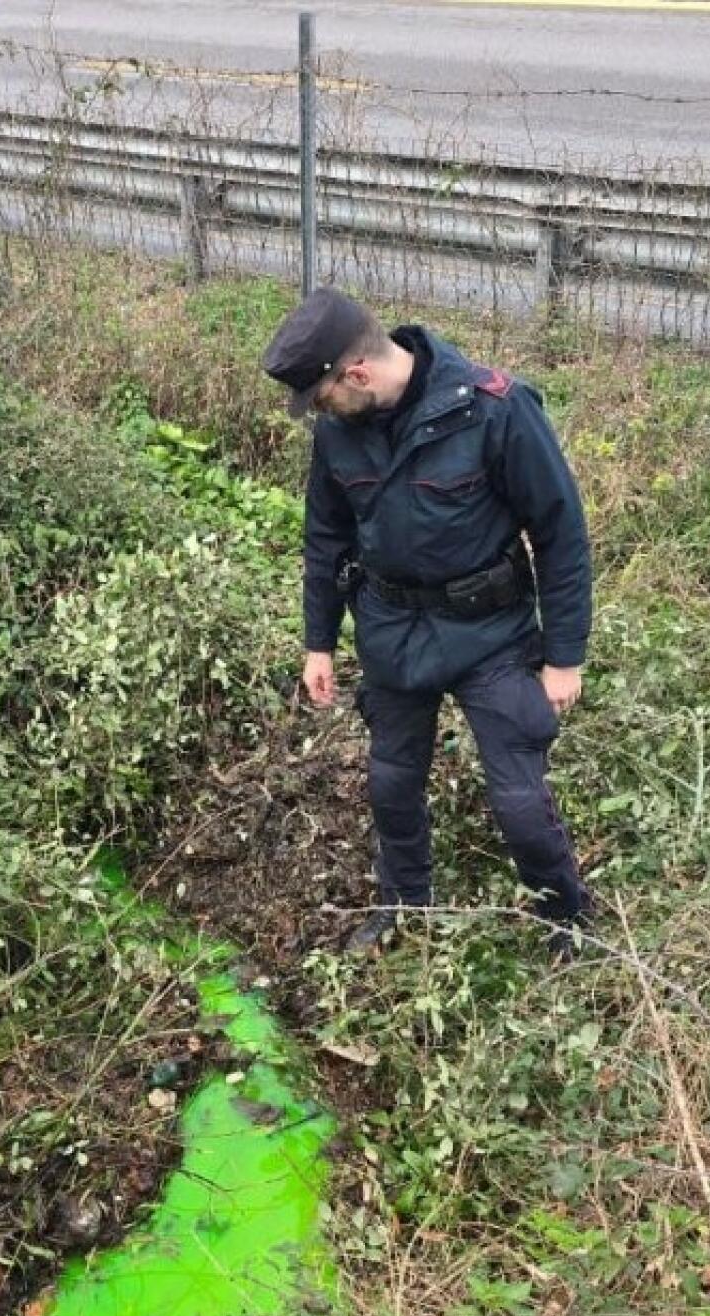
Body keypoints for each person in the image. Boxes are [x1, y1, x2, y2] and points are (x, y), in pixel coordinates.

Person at [261, 285, 595, 963]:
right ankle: (404, 903)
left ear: (355, 373)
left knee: (520, 802)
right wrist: (318, 641)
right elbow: (325, 536)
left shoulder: (493, 410)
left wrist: (564, 655)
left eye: (321, 395)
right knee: (391, 783)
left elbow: (561, 531)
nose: (319, 412)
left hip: (490, 631)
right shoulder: (340, 431)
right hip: (392, 631)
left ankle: (566, 916)